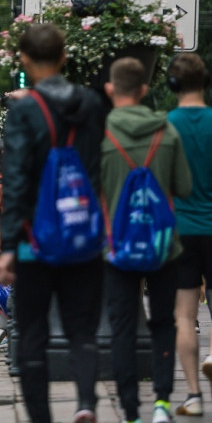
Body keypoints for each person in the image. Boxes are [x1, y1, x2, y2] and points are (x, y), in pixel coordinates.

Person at [0, 23, 106, 423]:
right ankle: (85, 403)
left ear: (24, 60)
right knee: (83, 331)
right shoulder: (92, 104)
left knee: (33, 336)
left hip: (34, 241)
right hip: (82, 234)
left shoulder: (24, 110)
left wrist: (9, 246)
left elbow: (19, 179)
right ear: (64, 58)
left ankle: (41, 417)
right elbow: (96, 168)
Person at [100, 57, 191, 423]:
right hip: (164, 246)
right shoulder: (166, 132)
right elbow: (184, 187)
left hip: (117, 246)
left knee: (122, 328)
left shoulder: (102, 134)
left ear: (110, 89)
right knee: (164, 321)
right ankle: (162, 404)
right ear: (144, 90)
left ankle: (131, 411)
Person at [168, 53, 212, 417]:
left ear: (172, 84)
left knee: (184, 315)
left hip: (181, 230)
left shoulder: (167, 127)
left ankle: (194, 396)